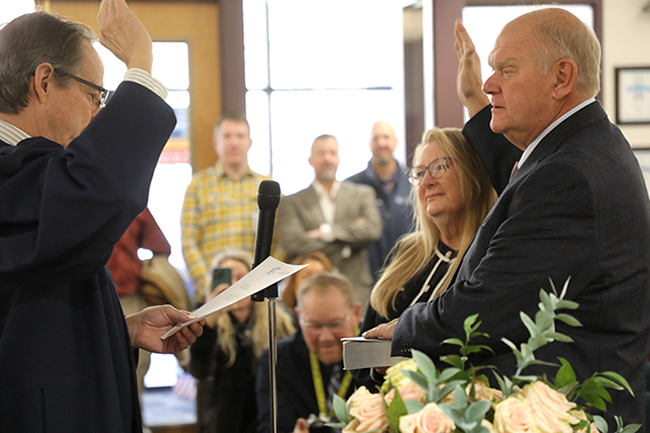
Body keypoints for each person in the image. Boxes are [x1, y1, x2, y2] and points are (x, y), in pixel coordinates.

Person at [365, 8, 650, 429]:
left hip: (566, 414)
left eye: (506, 70)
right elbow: (524, 193)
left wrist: (405, 331)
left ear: (561, 78)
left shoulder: (567, 175)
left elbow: (487, 309)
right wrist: (474, 103)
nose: (489, 83)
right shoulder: (583, 147)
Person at [0, 1, 204, 432]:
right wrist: (140, 63)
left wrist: (117, 329)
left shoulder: (28, 171)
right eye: (94, 96)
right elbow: (97, 193)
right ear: (44, 82)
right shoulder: (11, 169)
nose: (97, 115)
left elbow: (26, 314)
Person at [354, 127, 496, 390]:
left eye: (440, 167)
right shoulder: (406, 252)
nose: (427, 181)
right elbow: (363, 348)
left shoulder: (490, 258)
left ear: (473, 173)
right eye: (419, 173)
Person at [188, 248, 295, 433]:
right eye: (227, 279)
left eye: (241, 278)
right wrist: (210, 320)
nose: (234, 285)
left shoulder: (278, 321)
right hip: (224, 423)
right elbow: (199, 370)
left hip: (270, 419)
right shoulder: (207, 323)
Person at [276, 134, 382, 309]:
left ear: (338, 159)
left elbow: (372, 230)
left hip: (357, 290)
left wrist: (326, 233)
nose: (327, 159)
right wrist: (347, 246)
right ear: (310, 160)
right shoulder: (291, 202)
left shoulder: (362, 195)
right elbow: (293, 243)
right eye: (321, 153)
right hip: (311, 293)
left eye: (332, 153)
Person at [181, 113, 271, 303]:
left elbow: (277, 241)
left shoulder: (266, 187)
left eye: (240, 136)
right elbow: (188, 242)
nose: (234, 143)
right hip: (211, 295)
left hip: (256, 293)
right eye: (227, 136)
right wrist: (210, 285)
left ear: (250, 143)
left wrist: (262, 281)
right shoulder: (197, 186)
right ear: (216, 143)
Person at [256, 273, 363, 433]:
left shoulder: (379, 354)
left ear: (356, 313)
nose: (325, 337)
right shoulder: (276, 360)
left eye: (335, 324)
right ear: (299, 316)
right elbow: (271, 426)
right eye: (314, 326)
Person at [107, 207, 173, 398]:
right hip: (121, 291)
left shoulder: (131, 204)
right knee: (131, 368)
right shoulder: (128, 201)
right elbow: (161, 246)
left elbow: (161, 246)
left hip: (123, 292)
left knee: (132, 366)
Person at [346, 121, 414, 280]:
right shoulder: (351, 187)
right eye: (375, 138)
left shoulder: (415, 182)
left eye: (386, 137)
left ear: (396, 141)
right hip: (367, 278)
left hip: (410, 274)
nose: (381, 143)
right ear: (369, 144)